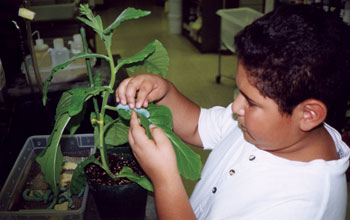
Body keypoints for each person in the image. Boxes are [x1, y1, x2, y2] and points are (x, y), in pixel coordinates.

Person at [115, 4, 350, 220]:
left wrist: (165, 181)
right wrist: (164, 92)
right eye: (239, 91)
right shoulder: (270, 131)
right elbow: (198, 125)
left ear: (308, 115)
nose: (236, 107)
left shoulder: (301, 207)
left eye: (251, 101)